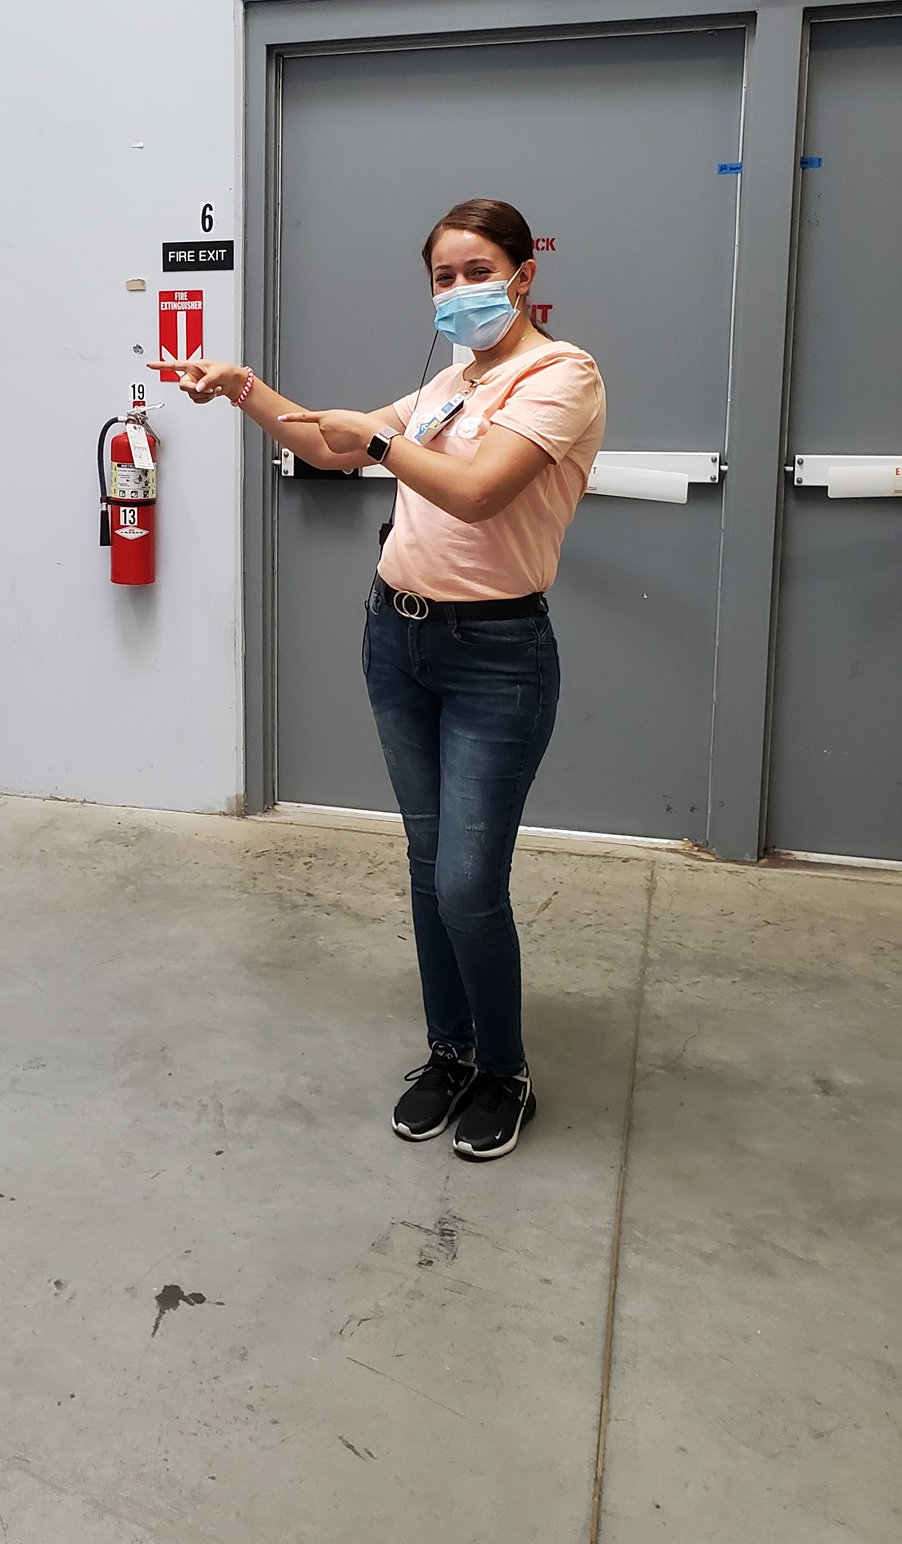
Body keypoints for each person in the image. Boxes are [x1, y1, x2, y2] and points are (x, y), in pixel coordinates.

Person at [163, 198, 605, 1161]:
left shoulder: (560, 375)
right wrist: (245, 389)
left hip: (496, 657)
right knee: (427, 864)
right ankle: (451, 1052)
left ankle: (505, 1071)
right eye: (443, 277)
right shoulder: (451, 382)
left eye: (477, 271)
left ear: (523, 276)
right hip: (398, 641)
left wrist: (376, 440)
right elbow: (330, 442)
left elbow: (477, 494)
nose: (458, 291)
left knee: (468, 883)